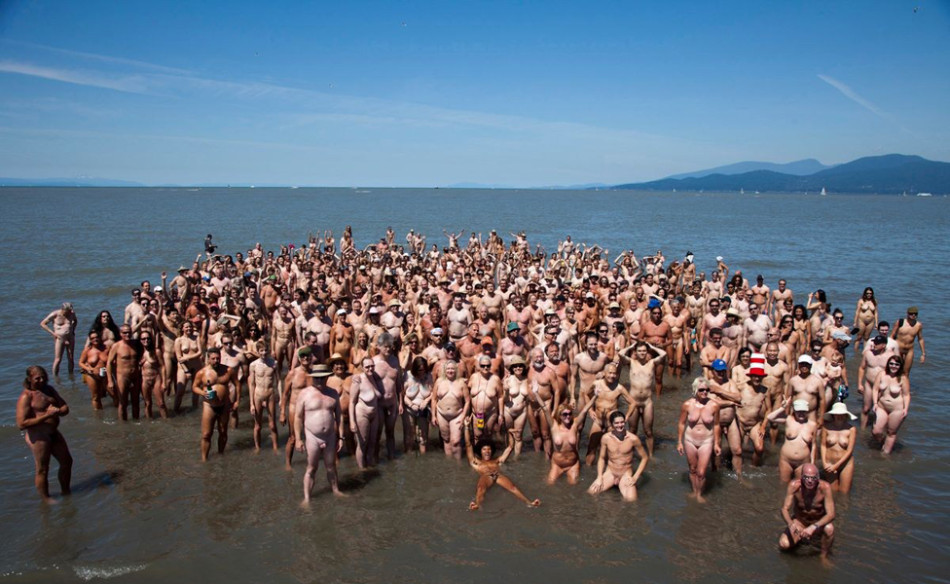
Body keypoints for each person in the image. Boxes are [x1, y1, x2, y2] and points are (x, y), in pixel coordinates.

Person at [16, 366, 72, 503]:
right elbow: (21, 424)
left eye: (43, 377)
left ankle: (66, 491)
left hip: (53, 432)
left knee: (67, 461)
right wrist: (47, 415)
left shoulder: (49, 390)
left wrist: (59, 411)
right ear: (29, 379)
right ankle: (45, 499)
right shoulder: (26, 396)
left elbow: (64, 407)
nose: (41, 380)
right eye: (37, 378)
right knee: (42, 469)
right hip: (39, 436)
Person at [464, 418, 540, 510]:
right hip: (486, 476)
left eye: (489, 449)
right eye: (484, 449)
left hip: (498, 475)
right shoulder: (476, 462)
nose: (487, 451)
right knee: (480, 488)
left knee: (513, 488)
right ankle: (477, 504)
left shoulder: (497, 461)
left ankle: (529, 503)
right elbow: (468, 444)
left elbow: (510, 447)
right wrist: (466, 427)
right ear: (480, 451)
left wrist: (509, 433)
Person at [295, 364, 344, 504]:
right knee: (312, 468)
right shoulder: (304, 394)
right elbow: (298, 417)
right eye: (316, 378)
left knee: (331, 466)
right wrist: (298, 439)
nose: (319, 381)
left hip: (330, 435)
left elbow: (339, 416)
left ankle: (336, 490)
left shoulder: (333, 393)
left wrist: (341, 437)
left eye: (322, 378)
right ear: (312, 378)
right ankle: (307, 499)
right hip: (312, 436)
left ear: (327, 377)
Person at [527, 385, 595, 484]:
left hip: (573, 464)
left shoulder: (575, 424)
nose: (568, 416)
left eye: (569, 414)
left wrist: (595, 396)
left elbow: (584, 410)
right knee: (549, 484)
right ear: (560, 415)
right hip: (557, 464)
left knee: (574, 486)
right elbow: (544, 409)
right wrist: (536, 393)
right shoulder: (554, 425)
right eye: (565, 414)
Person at [778, 463, 836, 562]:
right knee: (784, 544)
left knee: (829, 529)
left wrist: (814, 527)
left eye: (813, 478)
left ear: (818, 478)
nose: (809, 481)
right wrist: (790, 524)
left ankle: (823, 556)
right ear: (801, 477)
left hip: (818, 524)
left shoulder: (825, 487)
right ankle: (798, 543)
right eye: (806, 477)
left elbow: (831, 514)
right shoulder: (794, 486)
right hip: (800, 522)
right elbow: (784, 509)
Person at [588, 410, 649, 502]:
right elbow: (601, 458)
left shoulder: (633, 439)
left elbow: (645, 458)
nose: (620, 425)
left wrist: (635, 477)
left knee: (632, 501)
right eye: (616, 423)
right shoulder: (606, 438)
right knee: (591, 493)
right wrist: (599, 477)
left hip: (625, 475)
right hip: (610, 473)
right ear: (612, 424)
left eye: (622, 422)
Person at [677, 378, 721, 503]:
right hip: (690, 440)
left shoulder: (714, 405)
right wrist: (679, 442)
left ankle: (699, 494)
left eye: (707, 390)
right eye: (701, 390)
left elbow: (716, 425)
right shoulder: (687, 405)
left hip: (706, 441)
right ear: (695, 390)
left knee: (701, 472)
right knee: (692, 469)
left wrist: (716, 443)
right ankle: (694, 491)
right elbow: (681, 423)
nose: (705, 392)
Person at [193, 348, 235, 461]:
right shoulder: (202, 373)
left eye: (218, 358)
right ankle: (204, 460)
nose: (216, 360)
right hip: (209, 406)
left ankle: (221, 455)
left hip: (224, 405)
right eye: (213, 358)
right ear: (208, 359)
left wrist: (236, 401)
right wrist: (203, 393)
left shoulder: (228, 370)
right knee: (206, 434)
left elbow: (237, 384)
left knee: (223, 432)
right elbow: (194, 387)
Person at [768, 399, 817, 482]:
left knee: (799, 485)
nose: (801, 413)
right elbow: (770, 417)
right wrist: (783, 407)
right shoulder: (788, 420)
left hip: (803, 462)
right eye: (799, 411)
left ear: (807, 411)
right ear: (794, 410)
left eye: (803, 411)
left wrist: (812, 463)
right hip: (786, 460)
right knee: (783, 485)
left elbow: (813, 446)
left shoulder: (813, 425)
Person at [871, 356, 910, 454]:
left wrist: (905, 409)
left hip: (897, 409)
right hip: (882, 406)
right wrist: (875, 403)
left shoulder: (903, 378)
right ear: (888, 364)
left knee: (891, 432)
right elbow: (875, 389)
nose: (894, 366)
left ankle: (885, 455)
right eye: (891, 363)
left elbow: (906, 395)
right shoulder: (881, 374)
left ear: (900, 366)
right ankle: (882, 442)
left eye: (897, 364)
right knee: (876, 431)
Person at [248, 341, 280, 452]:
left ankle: (275, 448)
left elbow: (278, 381)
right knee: (258, 425)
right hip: (258, 395)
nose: (264, 353)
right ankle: (257, 447)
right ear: (257, 352)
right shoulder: (253, 365)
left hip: (270, 394)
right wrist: (251, 404)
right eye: (261, 351)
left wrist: (280, 398)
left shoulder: (274, 363)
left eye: (266, 350)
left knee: (272, 425)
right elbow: (252, 384)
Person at [820, 402, 857, 493]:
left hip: (846, 464)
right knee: (833, 492)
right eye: (837, 414)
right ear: (833, 415)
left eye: (842, 414)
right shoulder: (826, 427)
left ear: (846, 415)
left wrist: (836, 465)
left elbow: (850, 450)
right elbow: (823, 445)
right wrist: (824, 463)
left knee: (844, 493)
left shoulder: (851, 429)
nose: (839, 416)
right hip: (829, 463)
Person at [40, 302, 78, 376]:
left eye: (71, 310)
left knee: (71, 358)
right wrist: (53, 333)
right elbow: (43, 324)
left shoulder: (72, 314)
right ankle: (55, 376)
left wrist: (73, 330)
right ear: (64, 310)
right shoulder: (55, 314)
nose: (70, 312)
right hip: (60, 338)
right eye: (68, 311)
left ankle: (71, 375)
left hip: (70, 337)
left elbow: (75, 321)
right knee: (58, 359)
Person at [78, 330, 111, 409]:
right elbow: (80, 362)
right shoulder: (88, 350)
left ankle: (117, 411)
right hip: (92, 375)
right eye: (92, 338)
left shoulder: (106, 348)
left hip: (105, 374)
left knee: (113, 393)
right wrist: (88, 368)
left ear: (100, 338)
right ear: (90, 340)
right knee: (96, 396)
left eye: (96, 337)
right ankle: (98, 414)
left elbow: (112, 360)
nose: (95, 339)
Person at [891, 307, 925, 375]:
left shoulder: (918, 325)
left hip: (909, 350)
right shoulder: (900, 322)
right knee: (896, 371)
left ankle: (905, 381)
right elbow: (892, 336)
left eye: (915, 314)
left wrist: (923, 354)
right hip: (898, 349)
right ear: (907, 313)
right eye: (911, 313)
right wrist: (889, 349)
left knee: (906, 373)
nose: (913, 315)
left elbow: (920, 339)